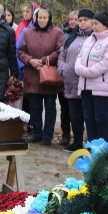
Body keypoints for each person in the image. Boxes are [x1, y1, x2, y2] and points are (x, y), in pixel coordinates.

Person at [17, 9, 63, 145]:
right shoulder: (28, 32)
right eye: (40, 17)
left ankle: (47, 135)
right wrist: (30, 60)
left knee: (50, 106)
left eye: (45, 18)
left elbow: (60, 50)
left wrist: (44, 60)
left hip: (49, 74)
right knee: (35, 106)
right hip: (32, 75)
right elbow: (20, 51)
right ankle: (36, 132)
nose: (42, 20)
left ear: (49, 19)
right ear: (35, 18)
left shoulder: (57, 32)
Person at [75, 12, 108, 142]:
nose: (93, 26)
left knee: (101, 120)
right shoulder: (90, 39)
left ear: (105, 24)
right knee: (88, 119)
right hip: (86, 87)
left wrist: (87, 72)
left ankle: (101, 152)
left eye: (96, 24)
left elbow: (107, 63)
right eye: (93, 23)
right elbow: (79, 57)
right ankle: (91, 149)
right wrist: (80, 69)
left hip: (102, 89)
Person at [58, 9, 94, 152]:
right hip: (71, 81)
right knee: (75, 115)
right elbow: (62, 54)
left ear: (92, 21)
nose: (82, 22)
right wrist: (63, 69)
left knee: (89, 115)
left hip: (88, 82)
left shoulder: (94, 38)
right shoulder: (72, 37)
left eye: (85, 20)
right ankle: (77, 142)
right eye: (80, 20)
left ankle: (91, 144)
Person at [58, 10, 79, 146]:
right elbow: (60, 52)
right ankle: (65, 134)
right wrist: (63, 68)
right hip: (64, 76)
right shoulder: (62, 33)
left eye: (76, 19)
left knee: (76, 110)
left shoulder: (84, 35)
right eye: (71, 19)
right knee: (64, 108)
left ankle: (77, 135)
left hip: (77, 77)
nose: (73, 22)